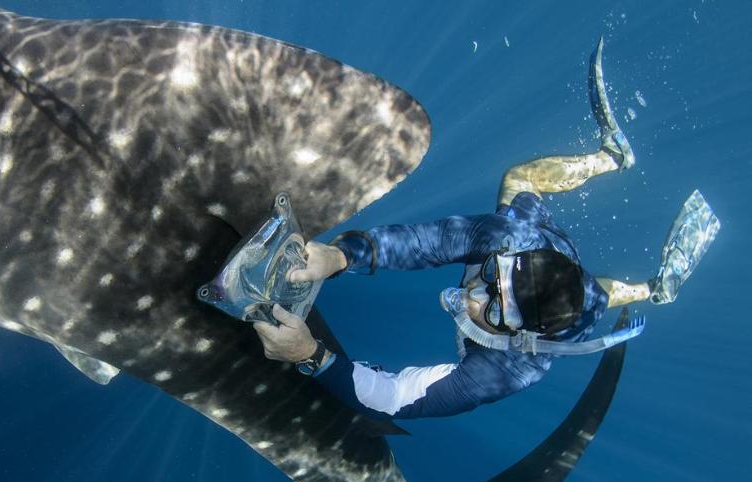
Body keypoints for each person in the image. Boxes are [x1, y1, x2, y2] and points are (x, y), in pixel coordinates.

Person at [252, 38, 713, 419]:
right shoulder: (506, 239)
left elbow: (393, 399)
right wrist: (340, 256)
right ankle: (611, 162)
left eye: (494, 309)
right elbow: (424, 243)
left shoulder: (506, 369)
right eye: (493, 276)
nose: (473, 294)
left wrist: (308, 354)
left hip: (563, 316)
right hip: (543, 243)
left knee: (594, 298)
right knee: (521, 180)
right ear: (511, 258)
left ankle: (651, 287)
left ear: (517, 335)